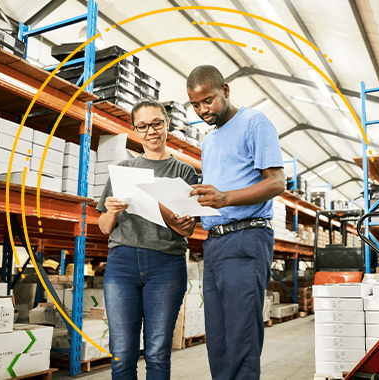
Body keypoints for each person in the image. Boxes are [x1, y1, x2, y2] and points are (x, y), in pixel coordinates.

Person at [187, 65, 286, 380]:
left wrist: (225, 198)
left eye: (209, 100)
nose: (203, 110)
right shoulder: (208, 140)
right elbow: (217, 191)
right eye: (196, 105)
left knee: (241, 335)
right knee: (217, 337)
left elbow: (277, 183)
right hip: (214, 240)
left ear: (225, 91)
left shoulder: (254, 122)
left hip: (246, 238)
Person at [97, 98, 198, 380]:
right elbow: (104, 228)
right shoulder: (123, 171)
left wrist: (171, 216)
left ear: (167, 124)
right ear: (135, 130)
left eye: (157, 123)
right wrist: (112, 211)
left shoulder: (184, 172)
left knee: (156, 353)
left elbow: (187, 230)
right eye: (143, 126)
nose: (151, 131)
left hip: (166, 266)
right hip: (122, 264)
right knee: (122, 354)